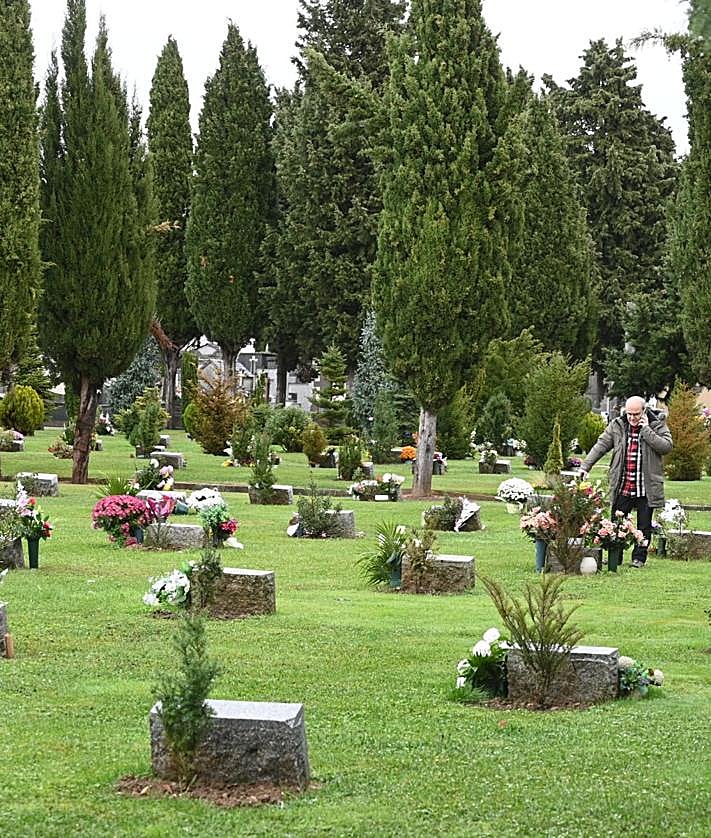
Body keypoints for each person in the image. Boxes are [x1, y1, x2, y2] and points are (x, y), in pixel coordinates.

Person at [580, 395, 673, 567]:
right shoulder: (617, 425)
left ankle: (639, 558)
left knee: (643, 526)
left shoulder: (657, 424)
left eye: (636, 414)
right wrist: (585, 466)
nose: (632, 418)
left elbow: (666, 446)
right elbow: (600, 445)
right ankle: (616, 556)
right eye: (629, 414)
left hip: (646, 487)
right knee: (616, 524)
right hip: (623, 485)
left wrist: (646, 431)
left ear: (644, 411)